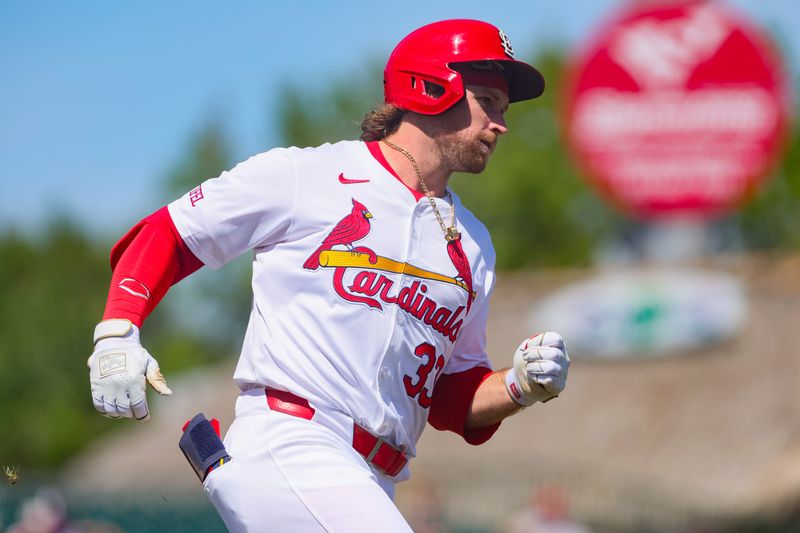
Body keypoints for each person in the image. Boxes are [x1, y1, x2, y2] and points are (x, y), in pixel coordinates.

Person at [87, 18, 571, 532]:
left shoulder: (473, 244)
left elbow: (453, 396)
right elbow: (169, 233)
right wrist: (118, 329)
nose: (502, 123)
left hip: (373, 479)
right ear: (431, 86)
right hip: (292, 444)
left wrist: (519, 385)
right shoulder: (307, 176)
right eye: (489, 101)